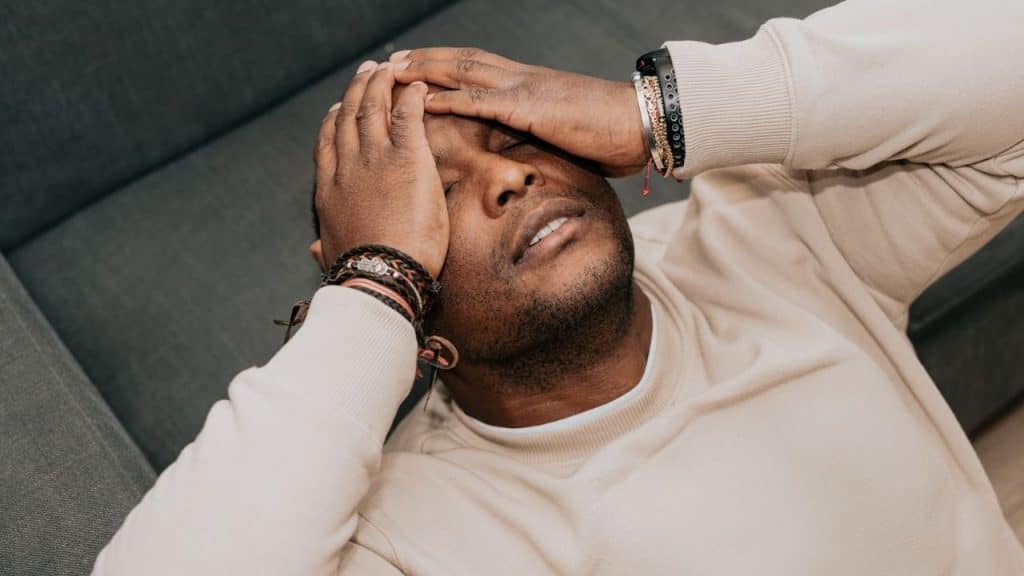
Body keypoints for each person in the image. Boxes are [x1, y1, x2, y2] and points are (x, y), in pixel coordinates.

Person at [93, 0, 1024, 573]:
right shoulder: (411, 529)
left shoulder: (776, 234)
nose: (508, 178)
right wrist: (373, 289)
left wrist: (656, 110)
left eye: (514, 139)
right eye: (434, 199)